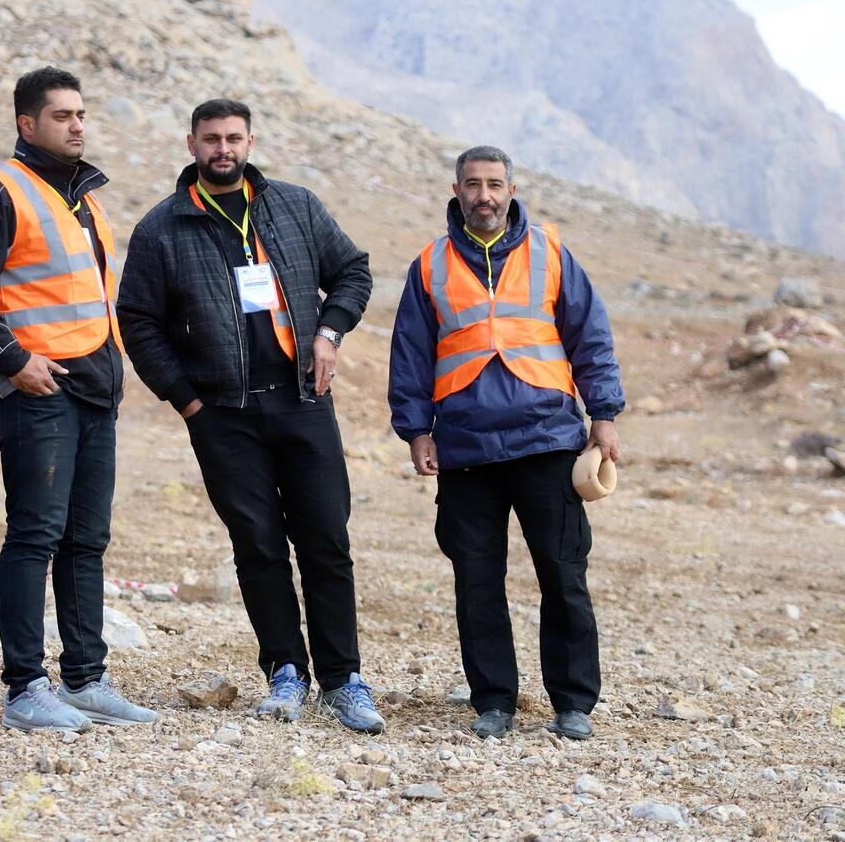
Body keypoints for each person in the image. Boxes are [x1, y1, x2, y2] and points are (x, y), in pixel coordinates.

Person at [118, 98, 384, 733]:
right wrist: (187, 401)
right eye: (211, 139)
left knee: (326, 540)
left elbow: (353, 271)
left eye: (233, 138)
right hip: (223, 415)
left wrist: (329, 333)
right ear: (191, 145)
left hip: (303, 400)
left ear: (249, 143)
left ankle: (343, 680)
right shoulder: (162, 228)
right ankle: (285, 672)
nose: (223, 149)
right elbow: (137, 321)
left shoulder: (294, 206)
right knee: (258, 545)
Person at [0, 67, 156, 732]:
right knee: (35, 534)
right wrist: (11, 358)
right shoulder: (2, 188)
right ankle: (25, 688)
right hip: (39, 390)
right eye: (62, 115)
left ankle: (85, 679)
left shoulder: (83, 198)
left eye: (81, 114)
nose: (77, 125)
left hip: (95, 387)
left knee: (87, 539)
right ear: (27, 124)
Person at [388, 145, 625, 740]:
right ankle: (493, 702)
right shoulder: (430, 264)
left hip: (547, 440)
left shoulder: (550, 253)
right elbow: (410, 353)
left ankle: (573, 703)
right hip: (465, 447)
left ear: (512, 191)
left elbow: (590, 336)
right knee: (476, 581)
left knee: (563, 575)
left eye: (494, 184)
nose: (484, 196)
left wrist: (604, 413)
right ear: (457, 190)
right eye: (473, 184)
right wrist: (415, 429)